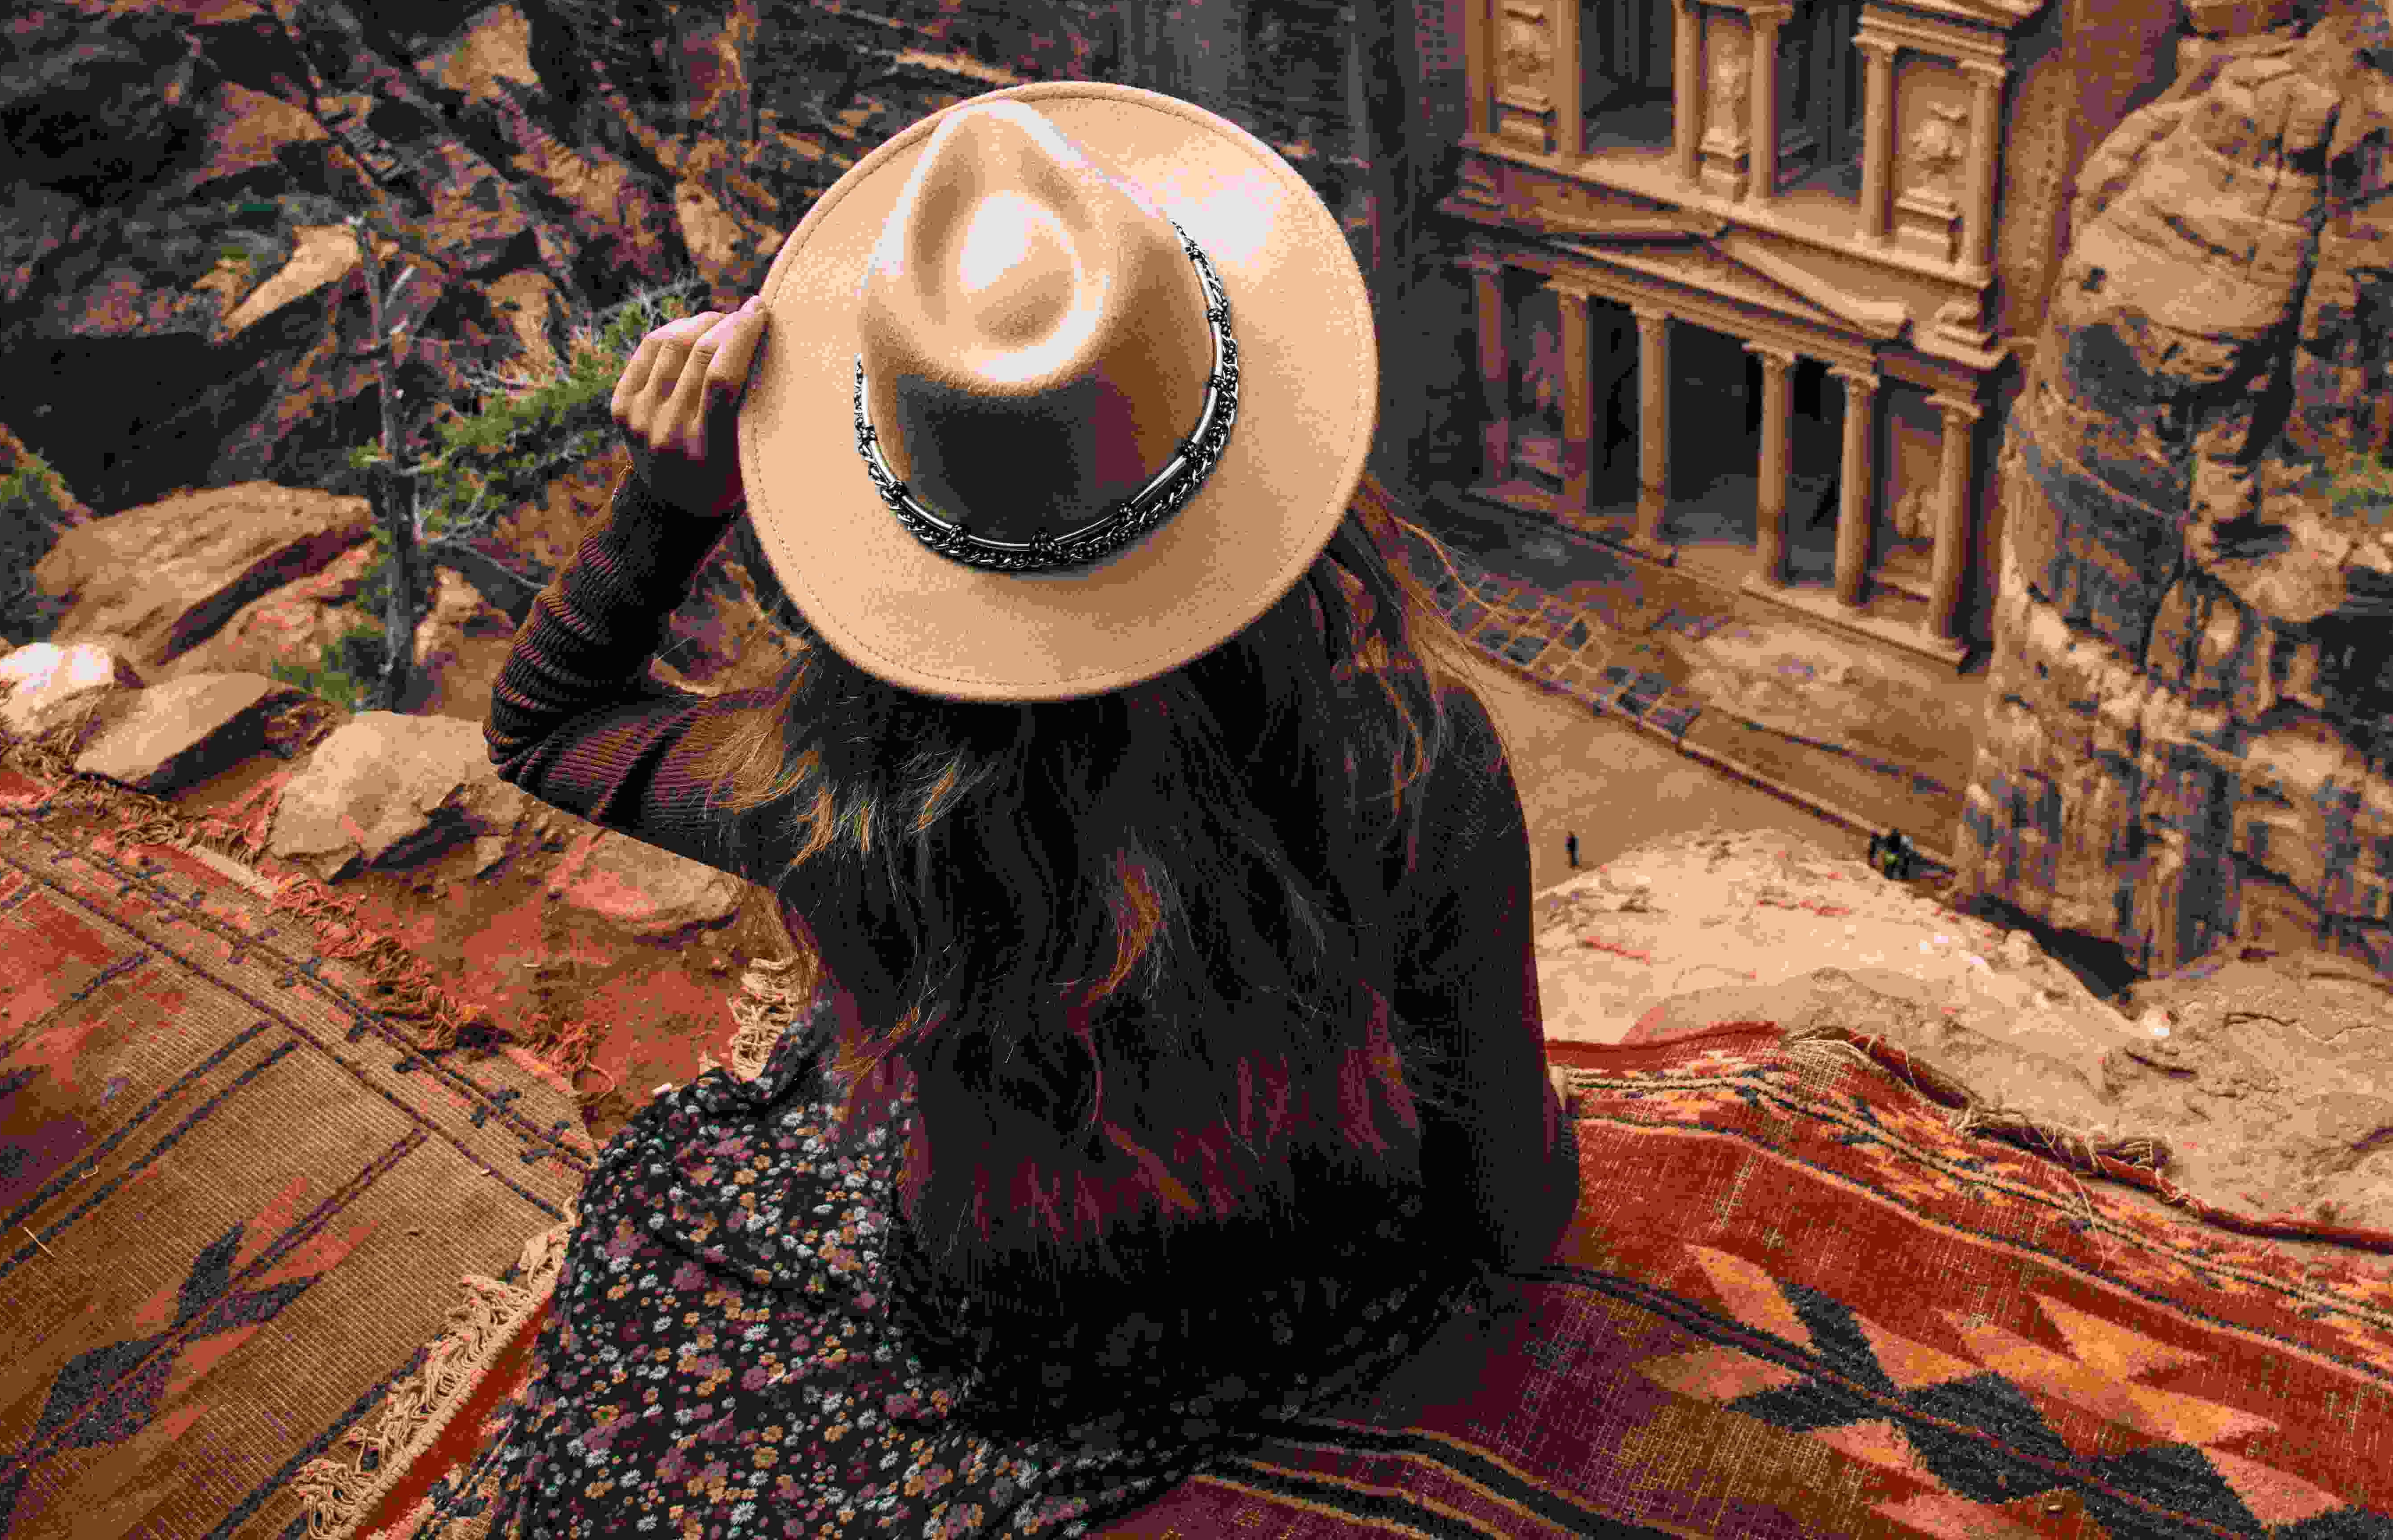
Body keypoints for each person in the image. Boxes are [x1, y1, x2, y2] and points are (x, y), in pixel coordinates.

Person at [454, 83, 1581, 1537]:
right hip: (1339, 1298)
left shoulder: (832, 806)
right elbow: (1508, 1197)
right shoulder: (1410, 760)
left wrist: (670, 504)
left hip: (1019, 1342)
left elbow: (545, 726)